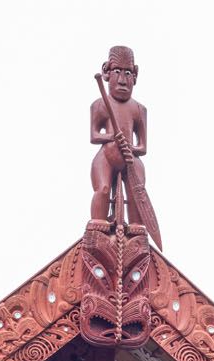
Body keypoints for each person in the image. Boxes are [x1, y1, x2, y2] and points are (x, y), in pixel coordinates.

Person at [89, 46, 148, 230]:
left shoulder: (139, 109)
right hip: (106, 157)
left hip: (131, 161)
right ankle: (98, 224)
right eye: (117, 71)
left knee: (137, 194)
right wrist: (111, 136)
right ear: (107, 73)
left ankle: (137, 226)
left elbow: (143, 146)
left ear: (135, 76)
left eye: (128, 73)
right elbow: (94, 135)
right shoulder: (100, 104)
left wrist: (132, 149)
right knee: (103, 189)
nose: (122, 80)